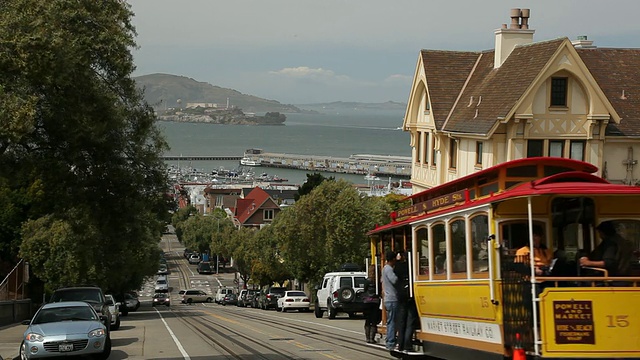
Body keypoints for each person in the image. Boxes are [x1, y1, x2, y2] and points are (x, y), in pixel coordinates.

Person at [394, 250, 418, 353]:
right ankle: (407, 344)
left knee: (401, 321)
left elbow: (395, 280)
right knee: (410, 321)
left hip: (401, 296)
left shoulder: (398, 267)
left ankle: (400, 344)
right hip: (410, 296)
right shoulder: (413, 266)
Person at [381, 250, 398, 351]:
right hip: (392, 299)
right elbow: (394, 280)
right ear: (392, 259)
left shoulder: (384, 268)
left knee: (390, 320)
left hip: (387, 299)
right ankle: (391, 342)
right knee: (392, 321)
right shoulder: (388, 269)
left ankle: (390, 340)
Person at [363, 265, 381, 344]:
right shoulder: (377, 281)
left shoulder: (367, 281)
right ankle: (371, 338)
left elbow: (364, 290)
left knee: (367, 320)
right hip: (375, 301)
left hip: (367, 301)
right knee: (374, 320)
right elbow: (379, 291)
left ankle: (367, 337)